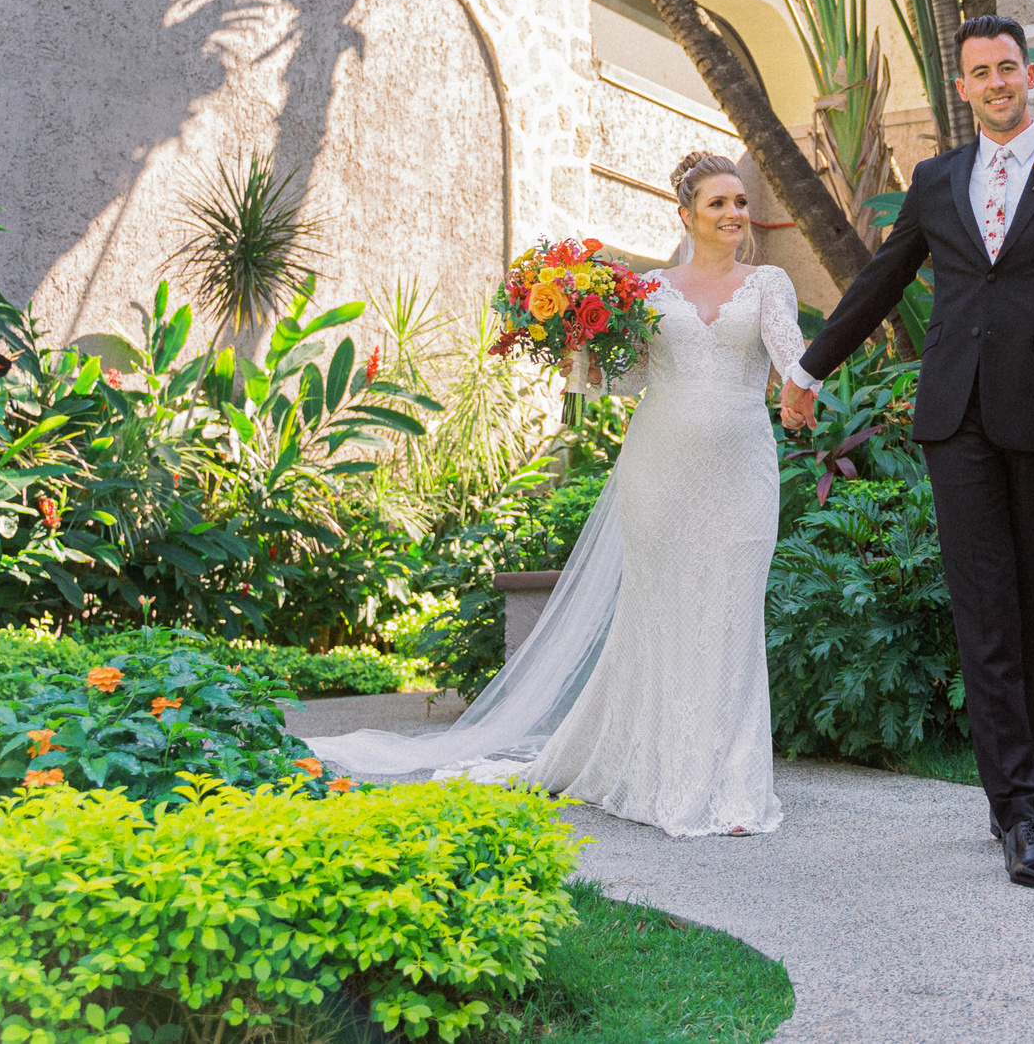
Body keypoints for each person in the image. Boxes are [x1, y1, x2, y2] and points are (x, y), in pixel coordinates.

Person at [305, 151, 808, 839]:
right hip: (659, 471)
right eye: (717, 203)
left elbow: (792, 353)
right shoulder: (649, 290)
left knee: (731, 611)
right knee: (661, 615)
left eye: (739, 202)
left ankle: (731, 784)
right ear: (686, 214)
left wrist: (797, 384)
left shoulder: (769, 281)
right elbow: (621, 382)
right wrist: (583, 350)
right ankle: (661, 774)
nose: (733, 215)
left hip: (741, 469)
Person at [781, 15, 1034, 891]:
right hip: (956, 417)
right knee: (983, 607)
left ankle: (1009, 780)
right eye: (980, 72)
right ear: (964, 87)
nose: (997, 82)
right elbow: (880, 281)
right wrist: (809, 366)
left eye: (1008, 67)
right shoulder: (936, 180)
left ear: (1029, 75)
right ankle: (1021, 813)